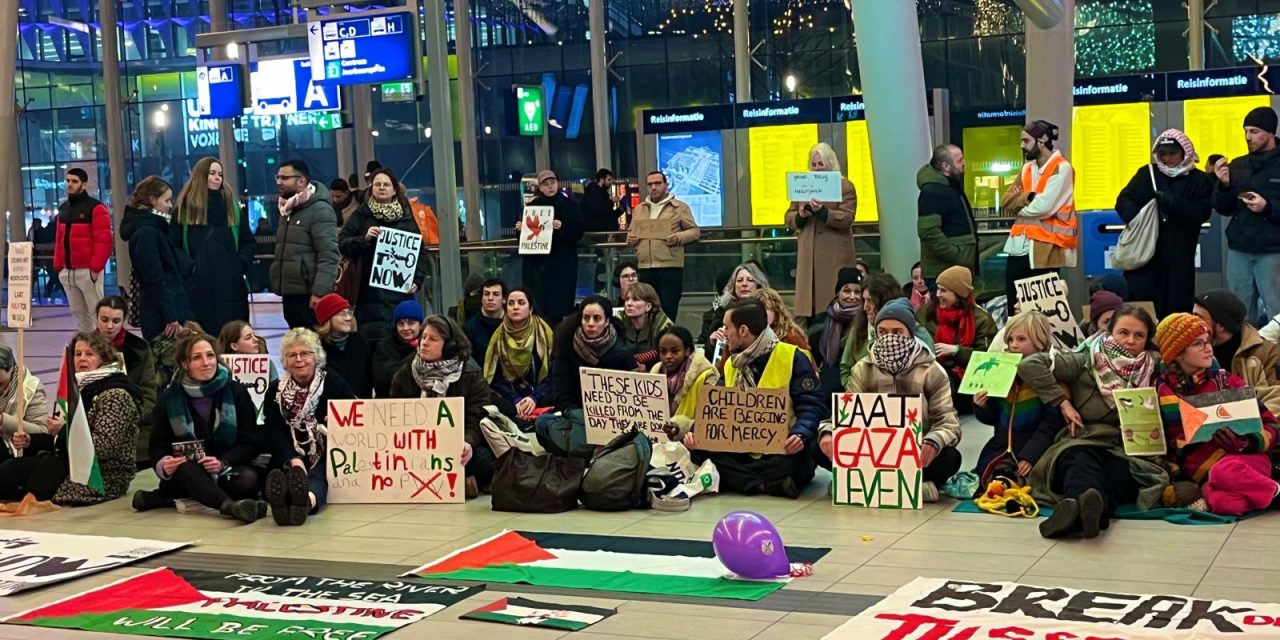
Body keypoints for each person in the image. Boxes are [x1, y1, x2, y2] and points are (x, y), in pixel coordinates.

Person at [1018, 305, 1169, 539]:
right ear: (1110, 332)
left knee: (1118, 476)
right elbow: (1030, 365)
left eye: (1139, 335)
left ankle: (1076, 515)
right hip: (1084, 438)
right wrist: (1062, 403)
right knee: (1079, 462)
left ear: (1148, 339)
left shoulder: (1157, 366)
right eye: (1123, 332)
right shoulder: (1087, 358)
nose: (1130, 341)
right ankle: (1089, 512)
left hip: (1127, 449)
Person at [818, 299, 962, 502]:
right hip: (870, 452)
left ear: (910, 334)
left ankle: (903, 482)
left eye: (897, 332)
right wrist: (828, 433)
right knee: (817, 447)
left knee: (950, 458)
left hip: (915, 452)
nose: (889, 339)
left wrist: (933, 441)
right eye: (883, 332)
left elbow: (949, 422)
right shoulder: (862, 368)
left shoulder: (932, 371)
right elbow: (845, 414)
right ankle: (864, 481)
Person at [686, 299, 824, 498]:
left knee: (803, 458)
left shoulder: (793, 356)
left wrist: (801, 434)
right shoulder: (731, 363)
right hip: (738, 449)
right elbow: (714, 409)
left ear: (743, 330)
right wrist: (695, 432)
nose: (723, 333)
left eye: (726, 327)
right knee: (699, 452)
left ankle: (741, 481)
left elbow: (813, 405)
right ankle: (762, 485)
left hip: (779, 449)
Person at [1153, 313, 1279, 516]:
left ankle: (1274, 490)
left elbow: (1273, 427)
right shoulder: (1162, 391)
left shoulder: (1228, 381)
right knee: (1222, 503)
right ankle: (1269, 491)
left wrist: (1247, 441)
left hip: (1247, 460)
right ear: (1177, 353)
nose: (1209, 349)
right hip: (1205, 475)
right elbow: (1166, 444)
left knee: (1223, 472)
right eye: (1197, 344)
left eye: (1208, 341)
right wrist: (1178, 477)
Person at [132, 332, 265, 522]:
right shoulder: (169, 398)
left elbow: (251, 442)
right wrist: (164, 464)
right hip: (187, 471)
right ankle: (229, 507)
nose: (206, 362)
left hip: (223, 469)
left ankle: (164, 498)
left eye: (210, 355)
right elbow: (157, 446)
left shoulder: (236, 391)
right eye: (197, 357)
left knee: (249, 480)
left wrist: (223, 462)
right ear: (185, 364)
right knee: (188, 470)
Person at [1114, 130, 1215, 317]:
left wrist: (1172, 203)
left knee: (1177, 310)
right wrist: (1142, 221)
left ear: (1185, 153)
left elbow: (1200, 213)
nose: (1167, 159)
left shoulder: (1199, 181)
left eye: (1172, 153)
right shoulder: (1148, 174)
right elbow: (1124, 201)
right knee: (1143, 310)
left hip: (1179, 257)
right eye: (1163, 154)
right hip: (1146, 256)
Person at [263, 328, 355, 526]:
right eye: (292, 355)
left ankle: (304, 503)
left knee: (319, 475)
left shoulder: (334, 383)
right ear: (285, 360)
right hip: (289, 453)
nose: (299, 360)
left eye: (305, 353)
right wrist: (293, 459)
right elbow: (273, 431)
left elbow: (354, 419)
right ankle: (288, 502)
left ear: (316, 357)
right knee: (278, 475)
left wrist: (338, 422)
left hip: (325, 452)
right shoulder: (275, 390)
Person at [388, 316, 487, 497]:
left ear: (450, 346)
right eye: (423, 337)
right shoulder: (406, 372)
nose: (424, 343)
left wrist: (468, 442)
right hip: (416, 445)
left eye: (433, 339)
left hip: (457, 443)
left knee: (482, 460)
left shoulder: (470, 373)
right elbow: (395, 415)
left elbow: (478, 415)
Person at [970, 310, 1065, 482]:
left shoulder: (1050, 377)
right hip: (1000, 448)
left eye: (1021, 339)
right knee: (985, 478)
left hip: (1037, 449)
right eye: (1010, 339)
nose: (1013, 345)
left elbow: (1051, 424)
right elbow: (994, 418)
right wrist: (982, 406)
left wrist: (1030, 455)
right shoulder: (1002, 373)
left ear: (1040, 342)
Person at [338, 167, 427, 343]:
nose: (381, 187)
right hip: (367, 292)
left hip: (399, 292)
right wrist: (364, 239)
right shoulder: (362, 214)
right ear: (371, 189)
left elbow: (419, 252)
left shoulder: (406, 216)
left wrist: (417, 280)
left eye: (386, 184)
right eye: (377, 184)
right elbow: (343, 243)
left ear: (394, 189)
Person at [1212, 107, 1280, 323]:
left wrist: (1267, 207)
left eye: (1255, 131)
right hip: (1239, 250)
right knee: (1239, 313)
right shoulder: (1239, 165)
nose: (1248, 137)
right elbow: (1224, 208)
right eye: (1246, 131)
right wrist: (1223, 185)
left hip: (1273, 251)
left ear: (1270, 133)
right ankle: (1243, 355)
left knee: (1276, 312)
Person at [173, 157, 254, 337]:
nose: (218, 178)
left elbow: (247, 241)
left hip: (231, 288)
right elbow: (174, 246)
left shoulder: (233, 209)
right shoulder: (184, 210)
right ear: (201, 176)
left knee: (233, 338)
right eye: (212, 173)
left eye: (220, 174)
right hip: (198, 288)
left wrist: (239, 264)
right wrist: (191, 267)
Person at [1001, 120, 1076, 306]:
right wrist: (1028, 197)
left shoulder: (1062, 167)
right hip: (1017, 248)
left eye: (1026, 141)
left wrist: (1020, 207)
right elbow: (1005, 201)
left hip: (1045, 251)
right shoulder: (1027, 168)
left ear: (1041, 142)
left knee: (1043, 313)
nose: (1022, 146)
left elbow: (1043, 207)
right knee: (1015, 310)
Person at [785, 143, 857, 320]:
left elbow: (847, 218)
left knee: (831, 305)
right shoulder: (802, 187)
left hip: (834, 255)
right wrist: (800, 215)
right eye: (814, 164)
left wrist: (822, 212)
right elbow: (789, 217)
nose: (817, 169)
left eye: (821, 164)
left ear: (831, 164)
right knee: (810, 311)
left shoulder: (845, 186)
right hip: (809, 258)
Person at [915, 266, 997, 411]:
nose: (938, 294)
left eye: (944, 290)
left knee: (942, 377)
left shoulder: (981, 319)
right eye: (938, 289)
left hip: (965, 380)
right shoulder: (926, 313)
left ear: (959, 294)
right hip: (930, 370)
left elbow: (988, 359)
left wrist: (956, 350)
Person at [270, 159, 339, 330]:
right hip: (290, 293)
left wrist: (320, 292)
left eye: (284, 178)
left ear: (301, 181)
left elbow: (329, 255)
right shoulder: (287, 209)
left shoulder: (319, 210)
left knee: (313, 347)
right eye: (277, 177)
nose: (279, 182)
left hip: (309, 296)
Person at [121, 175, 191, 342]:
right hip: (161, 314)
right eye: (166, 200)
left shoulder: (153, 228)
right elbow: (155, 278)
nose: (170, 205)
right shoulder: (147, 232)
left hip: (162, 308)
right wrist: (170, 316)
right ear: (153, 200)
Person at [839, 273, 935, 388]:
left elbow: (930, 374)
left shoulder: (918, 333)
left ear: (884, 301)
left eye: (870, 301)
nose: (865, 307)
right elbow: (846, 369)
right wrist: (857, 391)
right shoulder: (859, 330)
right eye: (864, 300)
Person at [545, 295, 637, 415]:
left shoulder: (623, 351)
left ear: (607, 321)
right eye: (586, 318)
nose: (590, 324)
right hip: (576, 415)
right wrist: (577, 414)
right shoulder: (567, 348)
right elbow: (562, 394)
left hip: (615, 416)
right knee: (543, 422)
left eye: (597, 318)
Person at [1193, 289, 1280, 414]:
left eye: (1198, 318)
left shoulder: (1267, 354)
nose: (1191, 323)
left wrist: (1246, 429)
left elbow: (1276, 401)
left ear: (1221, 326)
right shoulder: (1189, 352)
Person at [95, 296, 159, 467]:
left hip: (133, 421)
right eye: (105, 320)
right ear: (96, 318)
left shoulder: (139, 348)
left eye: (116, 321)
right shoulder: (81, 347)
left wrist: (128, 418)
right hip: (92, 421)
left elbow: (149, 392)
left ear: (124, 321)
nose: (110, 326)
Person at [629, 170, 700, 319]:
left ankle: (667, 341)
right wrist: (631, 240)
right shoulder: (639, 209)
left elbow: (694, 231)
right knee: (645, 311)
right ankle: (649, 341)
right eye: (650, 184)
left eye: (657, 183)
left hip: (670, 266)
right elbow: (630, 233)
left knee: (668, 309)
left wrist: (678, 237)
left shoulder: (680, 208)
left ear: (666, 185)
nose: (653, 187)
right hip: (645, 266)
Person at [519, 169, 584, 325]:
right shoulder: (532, 206)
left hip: (561, 264)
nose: (550, 187)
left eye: (552, 183)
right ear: (540, 187)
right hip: (537, 263)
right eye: (546, 184)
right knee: (539, 305)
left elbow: (579, 230)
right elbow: (524, 237)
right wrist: (521, 229)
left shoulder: (569, 206)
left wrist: (563, 227)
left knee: (559, 307)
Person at [54, 167, 113, 332]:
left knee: (97, 313)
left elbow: (104, 241)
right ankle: (87, 348)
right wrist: (59, 266)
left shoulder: (96, 208)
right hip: (69, 271)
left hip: (87, 270)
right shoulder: (63, 209)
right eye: (68, 181)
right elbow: (59, 240)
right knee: (78, 313)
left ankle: (102, 349)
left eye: (74, 181)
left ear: (84, 184)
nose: (70, 184)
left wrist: (95, 268)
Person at [484, 287, 555, 421]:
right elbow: (495, 377)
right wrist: (515, 399)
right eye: (511, 303)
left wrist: (534, 397)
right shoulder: (498, 337)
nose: (515, 307)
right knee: (490, 402)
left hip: (540, 393)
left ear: (531, 308)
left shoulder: (545, 334)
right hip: (511, 396)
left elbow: (554, 373)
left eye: (521, 303)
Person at [917, 144, 978, 288]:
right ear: (945, 166)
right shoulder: (933, 191)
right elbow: (928, 232)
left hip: (954, 271)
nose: (964, 163)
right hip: (944, 273)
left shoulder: (949, 185)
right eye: (959, 160)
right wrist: (955, 255)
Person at [654, 326, 719, 441]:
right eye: (663, 352)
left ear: (687, 350)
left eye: (674, 351)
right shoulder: (656, 373)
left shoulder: (707, 377)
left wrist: (681, 427)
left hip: (692, 445)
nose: (668, 356)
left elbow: (712, 423)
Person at [700, 262, 769, 362]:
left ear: (759, 285)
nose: (744, 284)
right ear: (733, 286)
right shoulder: (720, 313)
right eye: (739, 280)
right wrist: (712, 344)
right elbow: (706, 357)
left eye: (750, 280)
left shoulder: (769, 310)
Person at [808, 267, 862, 393]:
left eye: (857, 292)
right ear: (838, 293)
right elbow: (813, 355)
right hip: (827, 384)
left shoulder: (866, 321)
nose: (852, 297)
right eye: (847, 291)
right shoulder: (822, 319)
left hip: (856, 384)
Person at [312, 293, 371, 398]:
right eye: (342, 314)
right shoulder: (316, 347)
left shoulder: (360, 342)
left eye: (349, 312)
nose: (348, 318)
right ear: (327, 318)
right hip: (329, 408)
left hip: (361, 407)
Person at [0, 344, 50, 466]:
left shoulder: (30, 388)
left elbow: (42, 431)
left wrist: (3, 420)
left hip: (17, 452)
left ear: (11, 369)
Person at [372, 300, 424, 398]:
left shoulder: (428, 344)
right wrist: (416, 356)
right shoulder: (385, 346)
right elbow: (382, 381)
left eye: (411, 323)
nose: (405, 328)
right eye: (401, 324)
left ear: (420, 324)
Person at [618, 282, 674, 370]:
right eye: (627, 299)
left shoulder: (663, 325)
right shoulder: (618, 321)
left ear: (648, 306)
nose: (629, 303)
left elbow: (667, 353)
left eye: (635, 300)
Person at [217, 319, 279, 385]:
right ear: (234, 346)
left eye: (254, 335)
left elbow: (276, 386)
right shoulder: (219, 367)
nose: (256, 339)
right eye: (248, 337)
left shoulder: (266, 363)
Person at [464, 278, 506, 361]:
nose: (490, 298)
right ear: (481, 299)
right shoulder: (470, 328)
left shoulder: (513, 323)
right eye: (486, 294)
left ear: (504, 299)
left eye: (496, 294)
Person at [582, 168, 623, 232]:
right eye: (608, 180)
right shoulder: (593, 192)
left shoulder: (602, 193)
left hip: (603, 230)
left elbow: (607, 214)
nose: (610, 182)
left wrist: (620, 210)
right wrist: (612, 201)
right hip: (598, 231)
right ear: (601, 179)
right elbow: (599, 211)